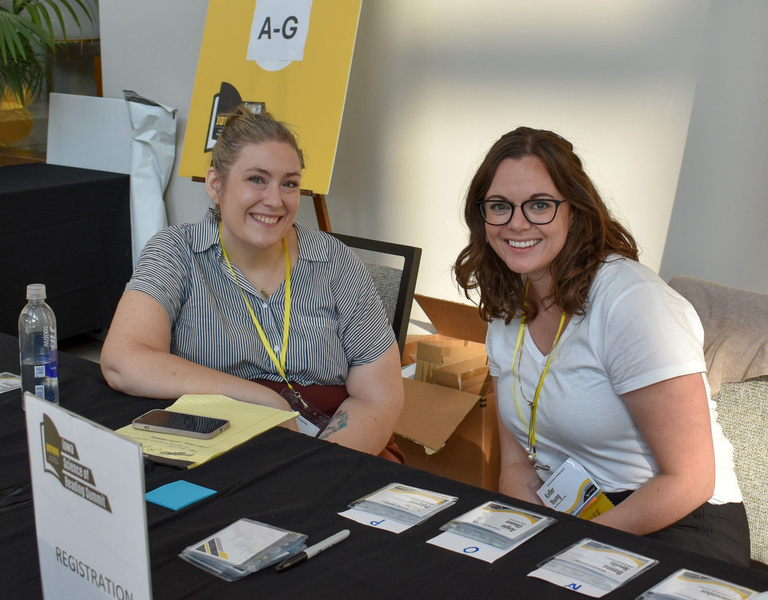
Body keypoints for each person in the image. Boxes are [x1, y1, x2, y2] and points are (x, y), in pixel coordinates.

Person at [454, 127, 750, 564]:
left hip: (676, 518)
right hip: (572, 514)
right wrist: (528, 536)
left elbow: (689, 480)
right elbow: (517, 465)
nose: (517, 223)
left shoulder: (632, 302)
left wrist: (565, 545)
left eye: (539, 205)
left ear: (575, 211)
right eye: (499, 206)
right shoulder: (507, 307)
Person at [101, 106, 404, 461]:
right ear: (216, 184)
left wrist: (318, 470)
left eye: (289, 183)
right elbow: (123, 361)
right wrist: (260, 398)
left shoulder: (333, 260)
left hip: (341, 447)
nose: (275, 200)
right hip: (223, 445)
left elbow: (379, 397)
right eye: (256, 179)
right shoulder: (177, 251)